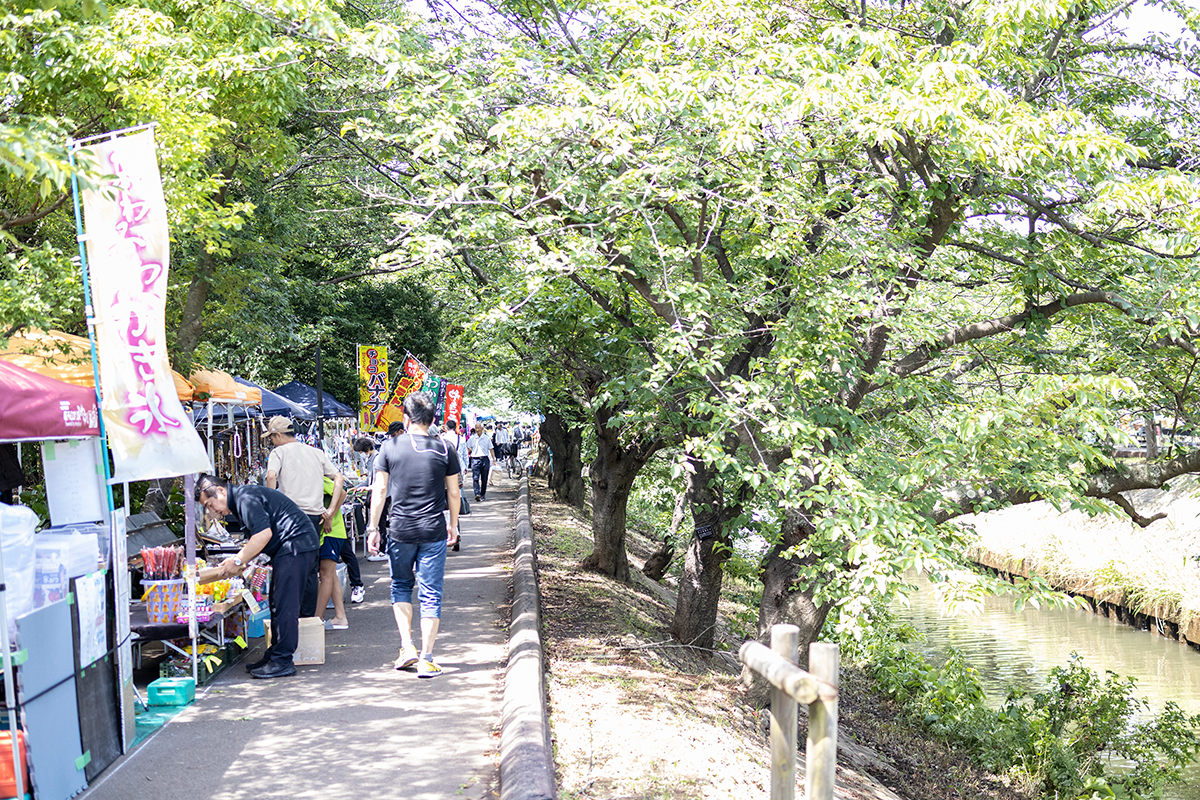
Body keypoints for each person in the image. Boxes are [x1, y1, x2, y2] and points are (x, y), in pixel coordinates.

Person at [366, 391, 461, 678]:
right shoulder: (445, 449)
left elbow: (380, 491)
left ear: (405, 418)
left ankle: (407, 647)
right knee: (431, 594)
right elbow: (453, 492)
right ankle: (427, 658)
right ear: (433, 419)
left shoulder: (389, 447)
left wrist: (373, 527)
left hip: (400, 529)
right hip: (433, 530)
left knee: (401, 586)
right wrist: (453, 524)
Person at [195, 475, 318, 679]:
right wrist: (242, 562)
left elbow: (263, 534)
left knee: (285, 603)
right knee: (277, 602)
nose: (212, 510)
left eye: (210, 504)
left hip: (295, 544)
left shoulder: (245, 498)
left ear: (220, 491)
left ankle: (282, 660)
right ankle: (275, 654)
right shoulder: (244, 498)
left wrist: (237, 561)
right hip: (292, 545)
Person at [263, 416, 344, 618]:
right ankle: (308, 620)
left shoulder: (278, 452)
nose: (271, 441)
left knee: (288, 567)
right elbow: (339, 478)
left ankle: (289, 618)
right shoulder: (316, 452)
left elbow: (271, 476)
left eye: (271, 437)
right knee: (309, 570)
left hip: (289, 517)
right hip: (313, 519)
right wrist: (330, 511)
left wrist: (270, 508)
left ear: (278, 435)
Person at [315, 476, 350, 629]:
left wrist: (329, 516)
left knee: (326, 575)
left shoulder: (318, 478)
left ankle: (316, 620)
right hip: (329, 533)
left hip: (331, 531)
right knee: (330, 574)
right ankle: (340, 616)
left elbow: (342, 493)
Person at [441, 419, 470, 552]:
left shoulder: (440, 441)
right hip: (455, 475)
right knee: (454, 509)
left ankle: (443, 539)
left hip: (439, 483)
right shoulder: (460, 439)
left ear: (446, 428)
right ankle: (456, 535)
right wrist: (464, 471)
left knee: (441, 511)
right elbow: (463, 456)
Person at [465, 422, 495, 502]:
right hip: (475, 459)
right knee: (475, 477)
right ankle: (477, 494)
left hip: (485, 459)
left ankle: (482, 494)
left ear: (482, 429)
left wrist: (494, 460)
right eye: (476, 428)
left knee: (484, 478)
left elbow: (491, 449)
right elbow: (468, 447)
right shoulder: (472, 438)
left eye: (478, 428)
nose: (477, 429)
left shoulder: (486, 438)